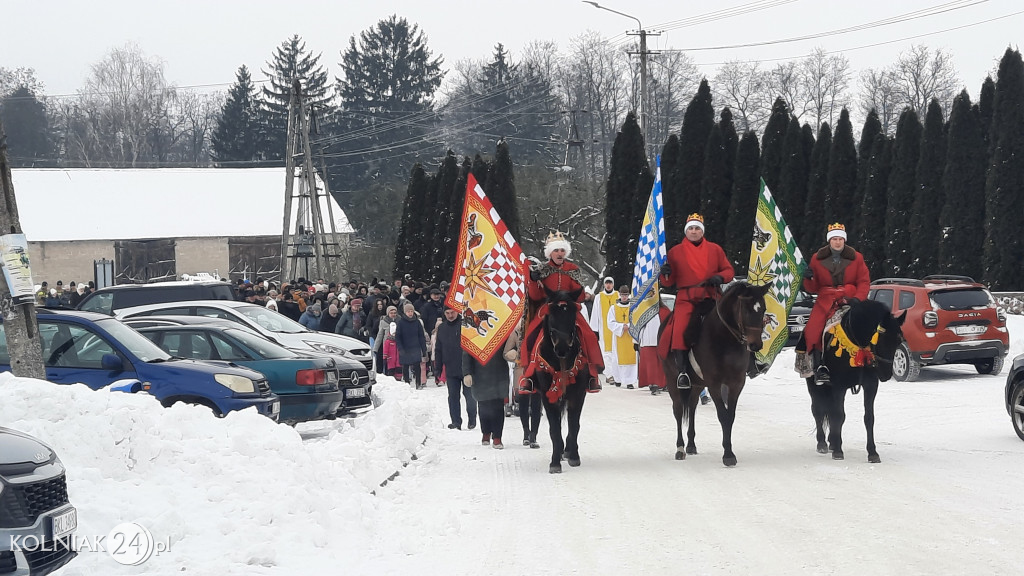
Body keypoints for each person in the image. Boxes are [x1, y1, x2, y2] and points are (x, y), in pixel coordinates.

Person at [659, 213, 735, 389]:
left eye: (697, 228)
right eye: (691, 228)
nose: (694, 231)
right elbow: (668, 282)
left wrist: (719, 277)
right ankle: (683, 372)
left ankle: (747, 362)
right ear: (686, 231)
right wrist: (665, 272)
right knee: (679, 330)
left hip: (711, 295)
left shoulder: (715, 249)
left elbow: (729, 270)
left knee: (734, 322)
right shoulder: (675, 252)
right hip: (687, 298)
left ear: (702, 231)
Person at [524, 231, 604, 393]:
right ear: (550, 253)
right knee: (532, 336)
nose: (559, 253)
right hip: (548, 310)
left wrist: (577, 290)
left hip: (569, 310)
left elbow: (580, 296)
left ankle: (591, 375)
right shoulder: (542, 269)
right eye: (556, 250)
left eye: (562, 250)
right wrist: (533, 280)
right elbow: (535, 295)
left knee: (587, 335)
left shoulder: (573, 269)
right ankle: (529, 375)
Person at [795, 223, 870, 384]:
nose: (837, 242)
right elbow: (813, 288)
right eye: (834, 239)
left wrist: (858, 298)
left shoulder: (857, 258)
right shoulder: (817, 258)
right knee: (812, 330)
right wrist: (808, 278)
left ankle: (869, 361)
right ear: (829, 241)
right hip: (825, 301)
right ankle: (819, 366)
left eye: (840, 239)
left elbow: (864, 282)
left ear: (844, 240)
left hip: (849, 299)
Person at [463, 337, 513, 449]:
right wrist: (467, 372)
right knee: (483, 405)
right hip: (480, 373)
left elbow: (510, 345)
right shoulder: (474, 330)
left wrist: (512, 350)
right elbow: (467, 353)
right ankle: (486, 432)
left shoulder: (501, 327)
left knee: (498, 406)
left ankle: (497, 437)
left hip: (499, 373)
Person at [435, 306, 477, 430]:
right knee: (453, 396)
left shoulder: (465, 325)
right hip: (450, 367)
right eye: (447, 313)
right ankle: (456, 421)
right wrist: (438, 367)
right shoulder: (442, 328)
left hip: (466, 368)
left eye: (452, 312)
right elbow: (438, 349)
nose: (450, 315)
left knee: (469, 395)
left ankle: (472, 418)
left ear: (457, 311)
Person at [588, 277, 619, 386]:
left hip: (616, 328)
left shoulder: (618, 295)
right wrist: (594, 329)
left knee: (616, 352)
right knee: (606, 352)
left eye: (610, 283)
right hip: (603, 328)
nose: (608, 285)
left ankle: (617, 374)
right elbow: (595, 312)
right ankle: (609, 374)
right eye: (607, 283)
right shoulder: (599, 297)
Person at [606, 285, 639, 389]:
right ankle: (618, 379)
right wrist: (621, 327)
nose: (624, 297)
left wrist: (628, 326)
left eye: (626, 295)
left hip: (630, 336)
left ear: (628, 295)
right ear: (619, 295)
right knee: (617, 358)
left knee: (631, 358)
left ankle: (630, 381)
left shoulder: (633, 307)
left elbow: (636, 319)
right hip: (618, 336)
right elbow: (610, 322)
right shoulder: (613, 308)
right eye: (622, 295)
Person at [637, 290, 667, 394]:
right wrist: (636, 341)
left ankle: (664, 383)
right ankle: (653, 384)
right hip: (647, 341)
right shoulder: (643, 311)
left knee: (662, 364)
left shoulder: (664, 310)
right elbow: (639, 327)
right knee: (651, 365)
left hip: (661, 341)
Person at [395, 302, 428, 389]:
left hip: (415, 347)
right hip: (405, 348)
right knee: (405, 366)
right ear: (405, 312)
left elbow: (421, 336)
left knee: (417, 366)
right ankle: (407, 383)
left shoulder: (417, 322)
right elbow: (398, 336)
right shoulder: (401, 322)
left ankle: (418, 383)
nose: (410, 313)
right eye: (408, 311)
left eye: (411, 311)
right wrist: (400, 348)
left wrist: (424, 349)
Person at [372, 305, 400, 374]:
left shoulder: (400, 320)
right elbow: (380, 335)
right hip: (388, 346)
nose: (393, 314)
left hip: (398, 345)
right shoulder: (383, 322)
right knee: (388, 364)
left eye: (394, 313)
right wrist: (375, 348)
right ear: (388, 313)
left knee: (398, 363)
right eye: (391, 313)